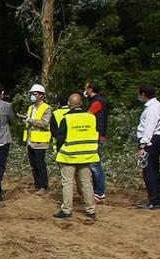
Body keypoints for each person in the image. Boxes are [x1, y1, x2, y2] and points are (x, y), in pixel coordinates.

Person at [52, 93, 99, 221]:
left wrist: (60, 151)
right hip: (86, 155)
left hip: (69, 156)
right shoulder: (91, 117)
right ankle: (91, 210)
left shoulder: (66, 119)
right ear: (81, 103)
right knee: (86, 182)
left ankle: (66, 210)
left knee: (67, 182)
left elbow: (60, 138)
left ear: (69, 104)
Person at [136, 83, 160, 210]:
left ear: (143, 94)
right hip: (155, 140)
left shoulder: (152, 108)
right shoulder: (156, 106)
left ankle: (154, 200)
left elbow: (149, 127)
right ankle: (157, 198)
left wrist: (143, 145)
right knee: (153, 170)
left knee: (149, 172)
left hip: (151, 141)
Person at [21, 83, 52, 195]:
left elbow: (44, 123)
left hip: (40, 141)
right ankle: (37, 184)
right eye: (31, 94)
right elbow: (29, 121)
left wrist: (29, 120)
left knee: (40, 164)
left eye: (34, 94)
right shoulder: (30, 108)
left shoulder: (46, 108)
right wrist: (24, 120)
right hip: (30, 141)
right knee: (33, 165)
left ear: (41, 95)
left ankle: (43, 186)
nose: (32, 96)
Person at [84, 82, 109, 201]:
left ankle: (99, 192)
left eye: (86, 88)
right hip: (98, 135)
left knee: (95, 165)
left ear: (90, 89)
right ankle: (97, 191)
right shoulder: (97, 101)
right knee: (94, 164)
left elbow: (88, 116)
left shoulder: (97, 102)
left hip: (96, 136)